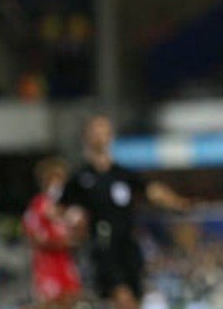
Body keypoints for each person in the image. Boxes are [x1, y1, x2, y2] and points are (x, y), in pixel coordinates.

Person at [58, 115, 191, 309]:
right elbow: (58, 208)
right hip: (103, 245)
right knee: (122, 298)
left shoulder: (123, 174)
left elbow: (152, 191)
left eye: (104, 131)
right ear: (87, 137)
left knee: (134, 300)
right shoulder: (80, 178)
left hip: (128, 245)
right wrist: (73, 226)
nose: (100, 136)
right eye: (96, 132)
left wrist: (177, 202)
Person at [22, 157, 83, 309]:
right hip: (47, 263)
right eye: (53, 178)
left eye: (61, 178)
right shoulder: (38, 205)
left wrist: (76, 234)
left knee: (71, 300)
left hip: (66, 261)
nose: (57, 183)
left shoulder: (69, 206)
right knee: (47, 303)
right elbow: (31, 237)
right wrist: (56, 242)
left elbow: (80, 232)